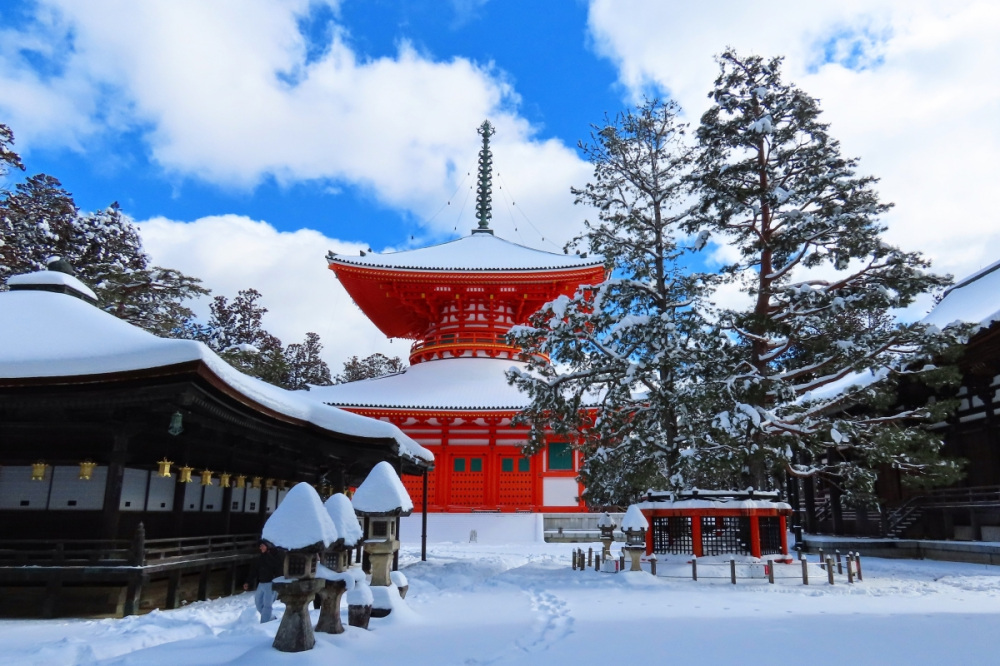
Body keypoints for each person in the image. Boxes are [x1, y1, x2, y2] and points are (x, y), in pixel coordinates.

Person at [243, 540, 282, 622]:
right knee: (258, 604)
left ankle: (264, 624)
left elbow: (279, 570)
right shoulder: (260, 558)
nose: (260, 547)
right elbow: (254, 571)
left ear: (267, 546)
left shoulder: (273, 557)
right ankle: (271, 618)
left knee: (267, 606)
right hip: (261, 583)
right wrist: (248, 582)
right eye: (260, 546)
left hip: (270, 584)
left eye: (262, 545)